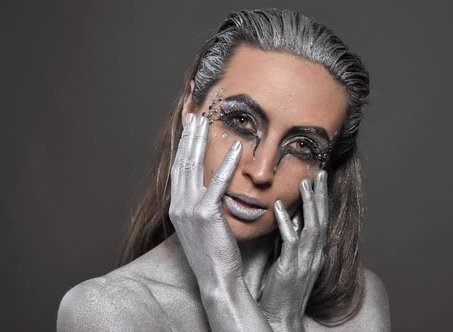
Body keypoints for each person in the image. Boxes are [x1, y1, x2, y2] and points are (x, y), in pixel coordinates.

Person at [57, 8, 390, 331]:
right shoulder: (106, 311)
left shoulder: (357, 308)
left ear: (327, 165)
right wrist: (222, 283)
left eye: (302, 146)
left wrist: (282, 322)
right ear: (191, 105)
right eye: (241, 121)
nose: (260, 172)